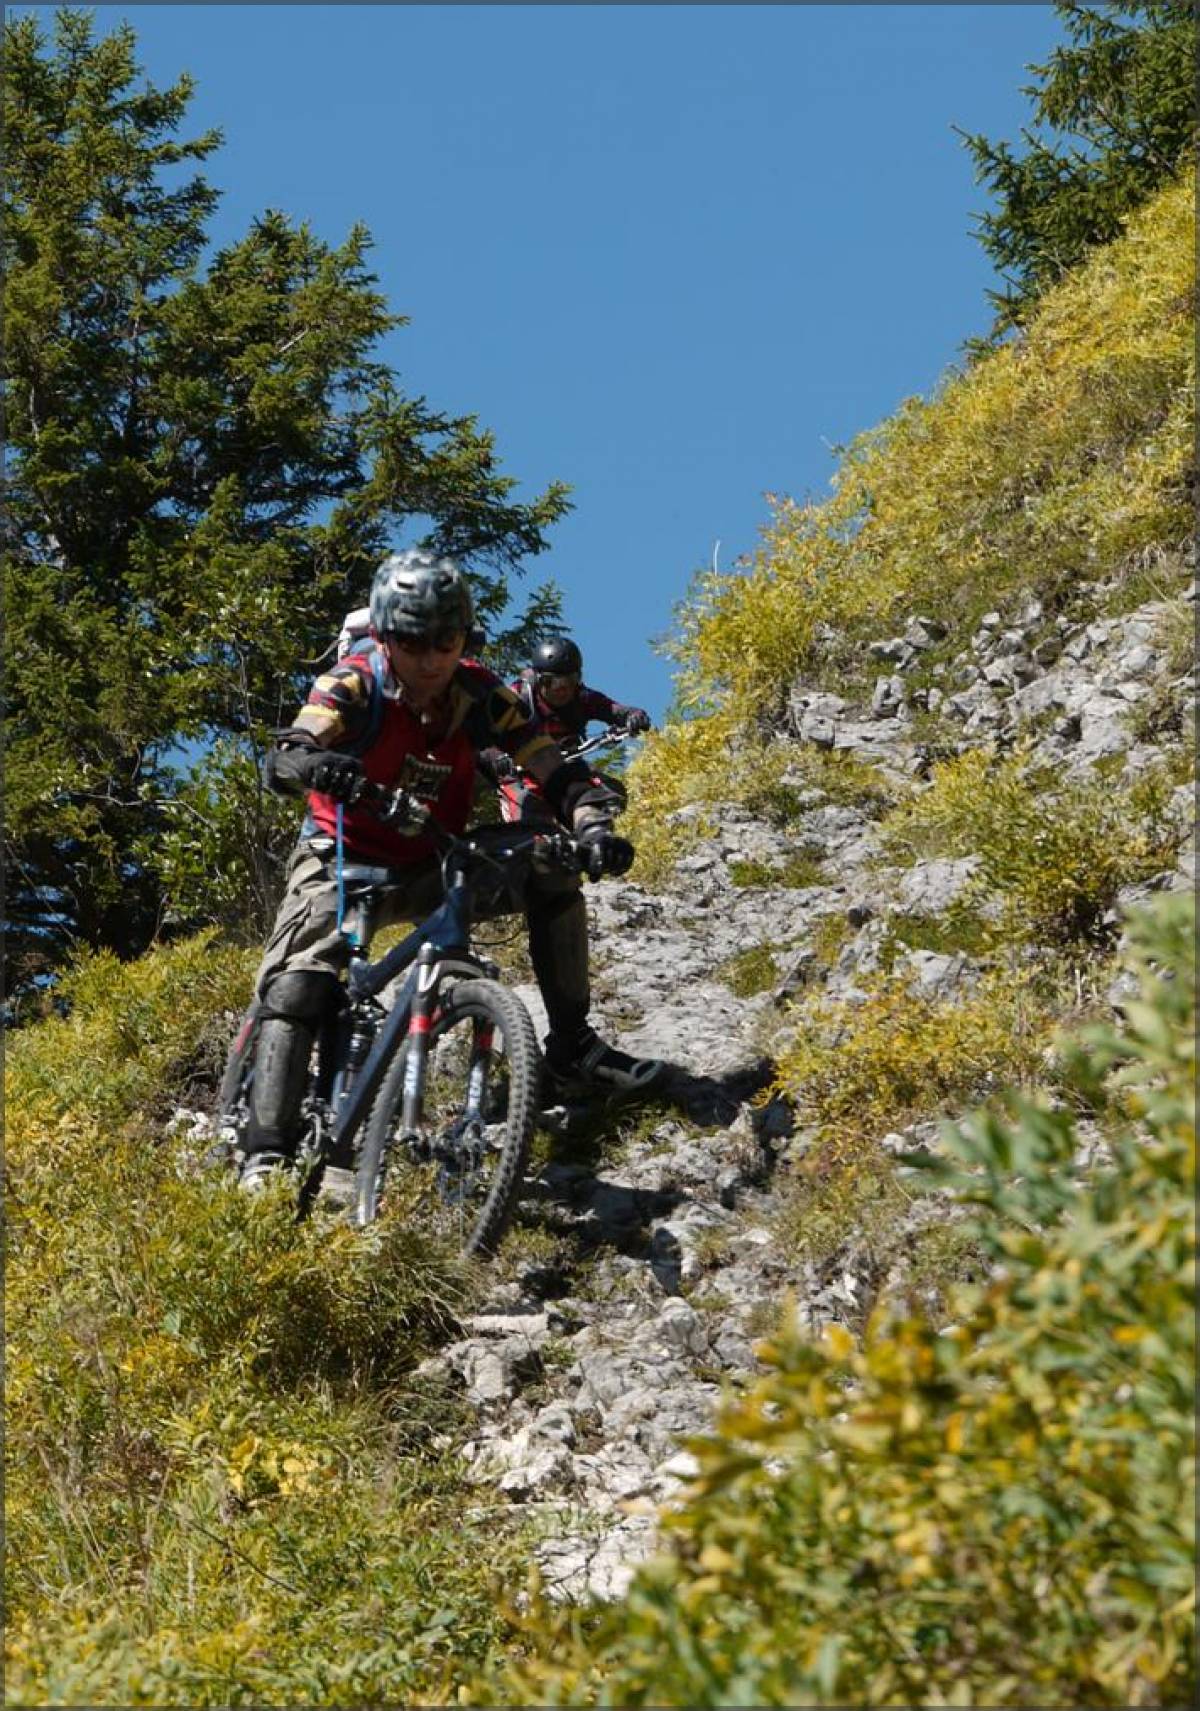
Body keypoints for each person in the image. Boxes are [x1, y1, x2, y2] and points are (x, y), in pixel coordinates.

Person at [240, 549, 663, 1190]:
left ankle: (572, 1048)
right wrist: (319, 765)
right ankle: (265, 1154)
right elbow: (290, 752)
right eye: (414, 642)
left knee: (552, 866)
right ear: (386, 636)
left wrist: (592, 828)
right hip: (342, 858)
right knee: (299, 983)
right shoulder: (353, 684)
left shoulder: (481, 694)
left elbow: (554, 770)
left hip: (436, 858)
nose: (432, 658)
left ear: (465, 638)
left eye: (447, 641)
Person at [480, 637, 652, 819]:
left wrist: (635, 717)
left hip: (567, 768)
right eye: (551, 682)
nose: (562, 689)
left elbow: (615, 710)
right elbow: (483, 735)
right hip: (521, 775)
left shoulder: (583, 698)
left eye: (570, 681)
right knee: (527, 810)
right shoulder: (516, 698)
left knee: (610, 793)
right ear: (538, 679)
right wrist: (498, 758)